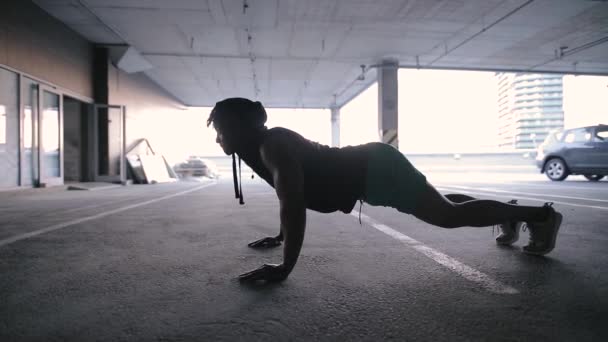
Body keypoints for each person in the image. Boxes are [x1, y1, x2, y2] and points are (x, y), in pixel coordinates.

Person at [207, 98, 563, 283]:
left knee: (446, 216)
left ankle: (541, 216)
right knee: (439, 204)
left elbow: (293, 202)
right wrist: (280, 236)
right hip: (372, 168)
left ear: (238, 127)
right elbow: (288, 194)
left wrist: (286, 267)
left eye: (220, 129)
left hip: (374, 170)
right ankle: (511, 212)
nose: (218, 138)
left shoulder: (272, 146)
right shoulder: (262, 146)